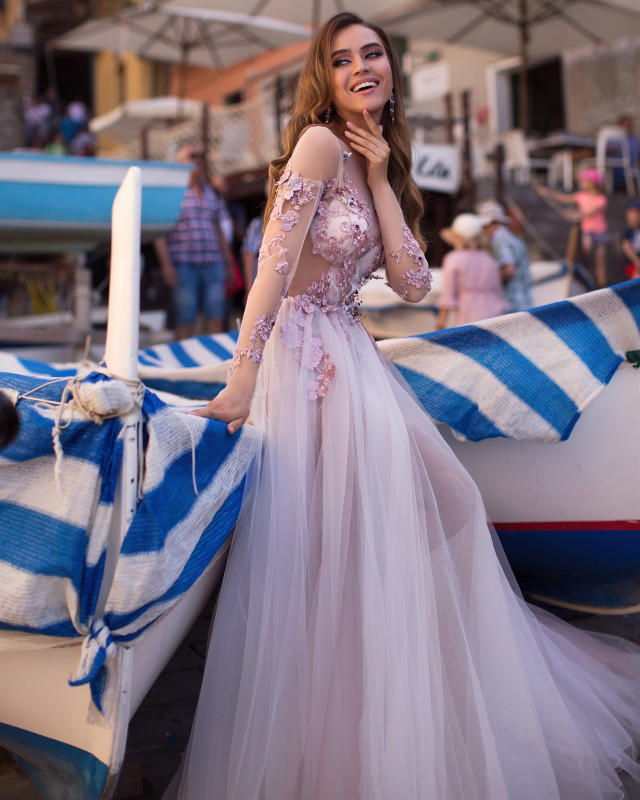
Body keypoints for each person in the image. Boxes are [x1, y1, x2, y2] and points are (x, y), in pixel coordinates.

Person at [166, 13, 640, 800]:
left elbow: (416, 284)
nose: (360, 68)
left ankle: (419, 699)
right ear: (326, 76)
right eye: (342, 58)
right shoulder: (318, 145)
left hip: (354, 354)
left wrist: (383, 181)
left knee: (434, 512)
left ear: (390, 67)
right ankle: (340, 742)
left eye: (373, 54)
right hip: (307, 359)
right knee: (333, 548)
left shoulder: (373, 158)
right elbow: (273, 270)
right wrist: (245, 376)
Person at [154, 144, 234, 338]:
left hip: (213, 263)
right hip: (184, 265)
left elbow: (218, 228)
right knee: (185, 316)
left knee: (216, 315)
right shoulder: (172, 195)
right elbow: (160, 233)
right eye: (192, 156)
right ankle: (184, 361)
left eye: (201, 156)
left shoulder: (211, 192)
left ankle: (213, 363)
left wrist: (228, 261)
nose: (198, 159)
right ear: (180, 163)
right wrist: (166, 265)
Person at [537, 168, 609, 288]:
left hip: (600, 231)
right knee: (586, 248)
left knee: (600, 260)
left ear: (592, 182)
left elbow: (590, 212)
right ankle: (585, 272)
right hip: (587, 231)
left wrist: (574, 213)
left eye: (584, 180)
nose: (581, 182)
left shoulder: (601, 198)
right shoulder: (581, 196)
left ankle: (602, 285)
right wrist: (549, 192)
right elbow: (564, 198)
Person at [435, 212, 507, 329]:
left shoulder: (453, 259)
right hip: (495, 316)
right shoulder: (489, 259)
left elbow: (447, 296)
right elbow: (498, 293)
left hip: (469, 315)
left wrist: (440, 323)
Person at [476, 199, 534, 312]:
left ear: (494, 223)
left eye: (485, 226)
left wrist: (487, 281)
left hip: (512, 303)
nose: (483, 230)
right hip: (525, 301)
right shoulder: (512, 238)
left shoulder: (499, 240)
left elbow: (509, 270)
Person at [622, 199, 640, 279]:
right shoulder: (628, 231)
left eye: (637, 213)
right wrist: (636, 261)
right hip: (632, 263)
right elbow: (626, 247)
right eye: (632, 213)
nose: (635, 216)